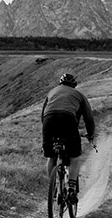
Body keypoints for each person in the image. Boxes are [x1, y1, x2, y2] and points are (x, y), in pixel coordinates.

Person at [41, 73, 95, 205]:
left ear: (60, 84)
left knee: (51, 156)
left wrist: (47, 135)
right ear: (74, 85)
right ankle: (71, 188)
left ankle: (53, 187)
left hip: (49, 121)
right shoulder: (79, 95)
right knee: (74, 156)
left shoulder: (52, 92)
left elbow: (43, 115)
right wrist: (90, 134)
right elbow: (89, 118)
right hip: (68, 120)